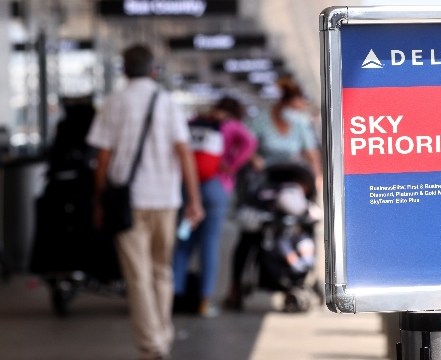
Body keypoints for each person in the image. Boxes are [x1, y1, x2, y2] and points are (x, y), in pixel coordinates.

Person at [87, 44, 204, 360]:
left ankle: (153, 345)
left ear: (124, 70)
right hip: (166, 199)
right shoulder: (167, 103)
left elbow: (102, 158)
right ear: (154, 71)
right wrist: (194, 199)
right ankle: (161, 336)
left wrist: (99, 201)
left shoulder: (114, 103)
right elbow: (184, 153)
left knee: (137, 276)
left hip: (128, 202)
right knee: (161, 271)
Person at [224, 79, 322, 310]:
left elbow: (310, 154)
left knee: (304, 227)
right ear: (284, 103)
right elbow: (245, 146)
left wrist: (314, 180)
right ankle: (235, 286)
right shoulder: (260, 121)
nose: (297, 113)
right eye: (295, 107)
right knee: (249, 235)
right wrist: (253, 158)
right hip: (264, 184)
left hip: (292, 184)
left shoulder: (299, 124)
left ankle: (304, 273)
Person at [172, 96, 257, 317]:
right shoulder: (231, 126)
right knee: (209, 244)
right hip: (216, 187)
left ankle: (175, 296)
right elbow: (250, 143)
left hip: (187, 188)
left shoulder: (193, 121)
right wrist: (231, 166)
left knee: (183, 242)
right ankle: (204, 300)